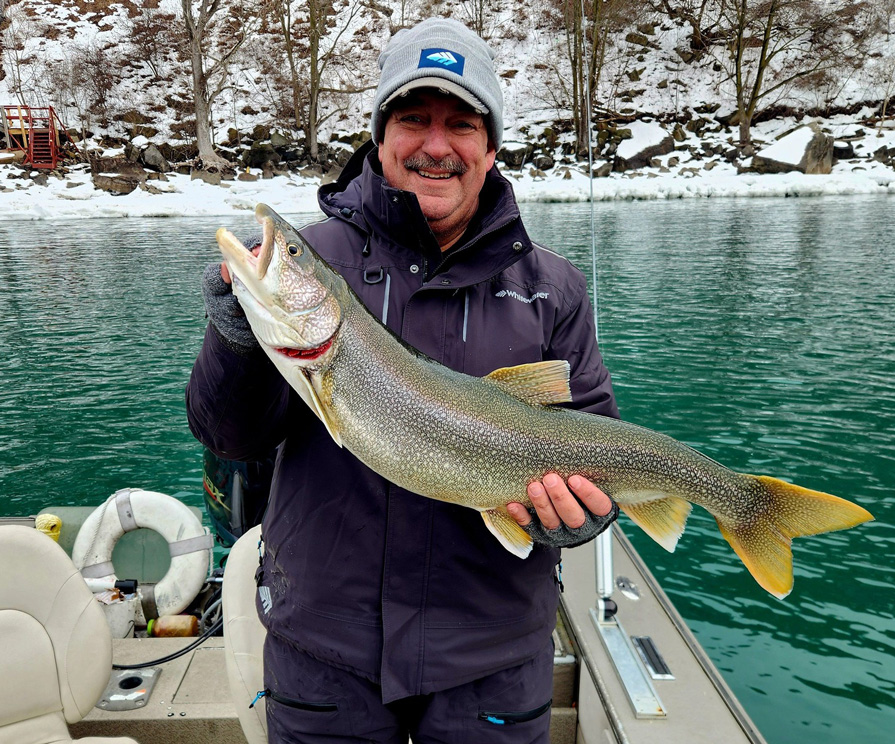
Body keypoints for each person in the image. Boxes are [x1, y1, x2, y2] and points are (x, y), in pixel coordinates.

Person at [186, 17, 619, 743]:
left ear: (490, 146)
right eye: (413, 119)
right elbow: (228, 435)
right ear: (381, 137)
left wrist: (584, 514)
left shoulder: (554, 289)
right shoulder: (317, 261)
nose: (436, 145)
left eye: (461, 124)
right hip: (325, 656)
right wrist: (236, 335)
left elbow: (597, 441)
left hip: (492, 659)